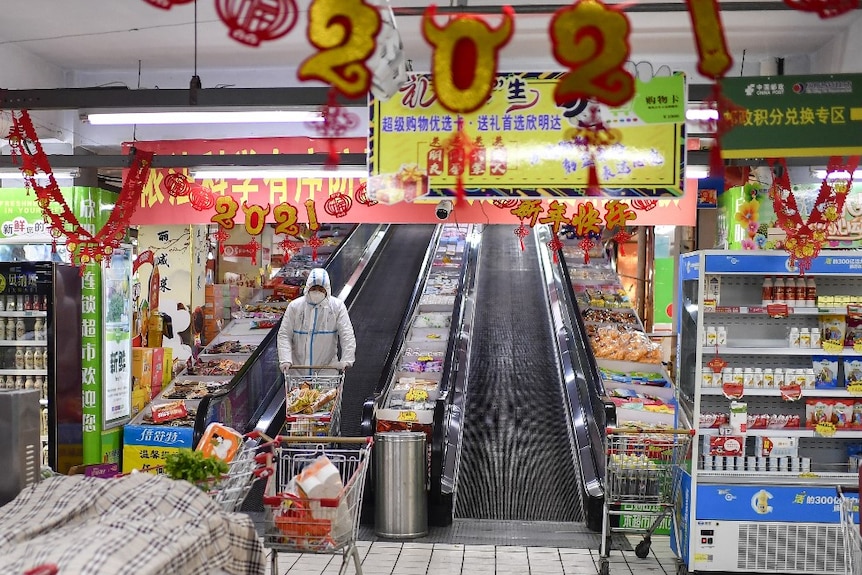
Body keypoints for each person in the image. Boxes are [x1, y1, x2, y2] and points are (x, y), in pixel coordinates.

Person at [277, 268, 356, 378]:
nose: (317, 292)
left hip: (327, 372)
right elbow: (285, 334)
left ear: (327, 290)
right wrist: (285, 359)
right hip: (298, 371)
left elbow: (347, 334)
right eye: (314, 288)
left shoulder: (337, 307)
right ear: (308, 287)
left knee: (327, 395)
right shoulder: (295, 306)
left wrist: (347, 359)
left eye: (321, 289)